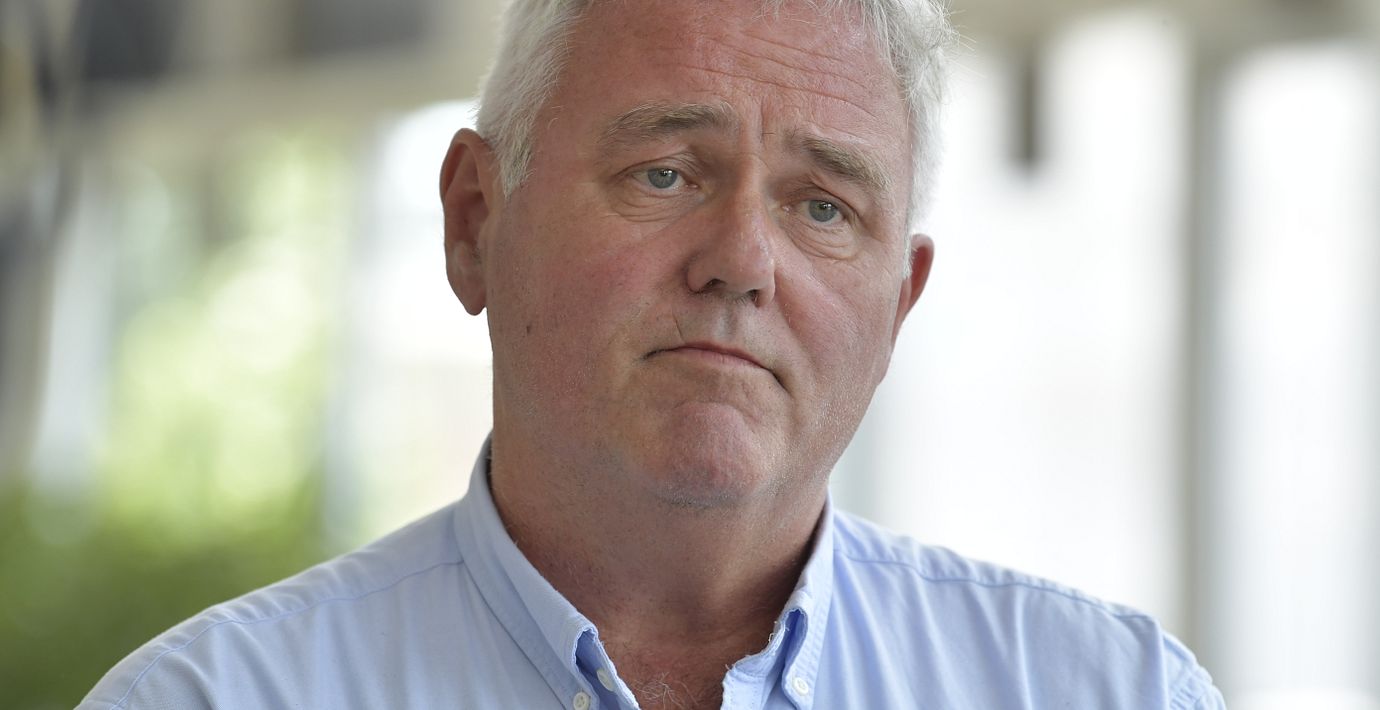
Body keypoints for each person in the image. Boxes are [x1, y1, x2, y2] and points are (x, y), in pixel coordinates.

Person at [82, 0, 1226, 707]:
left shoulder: (1109, 692)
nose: (743, 262)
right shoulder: (215, 699)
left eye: (823, 207)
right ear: (475, 220)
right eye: (665, 173)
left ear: (898, 307)